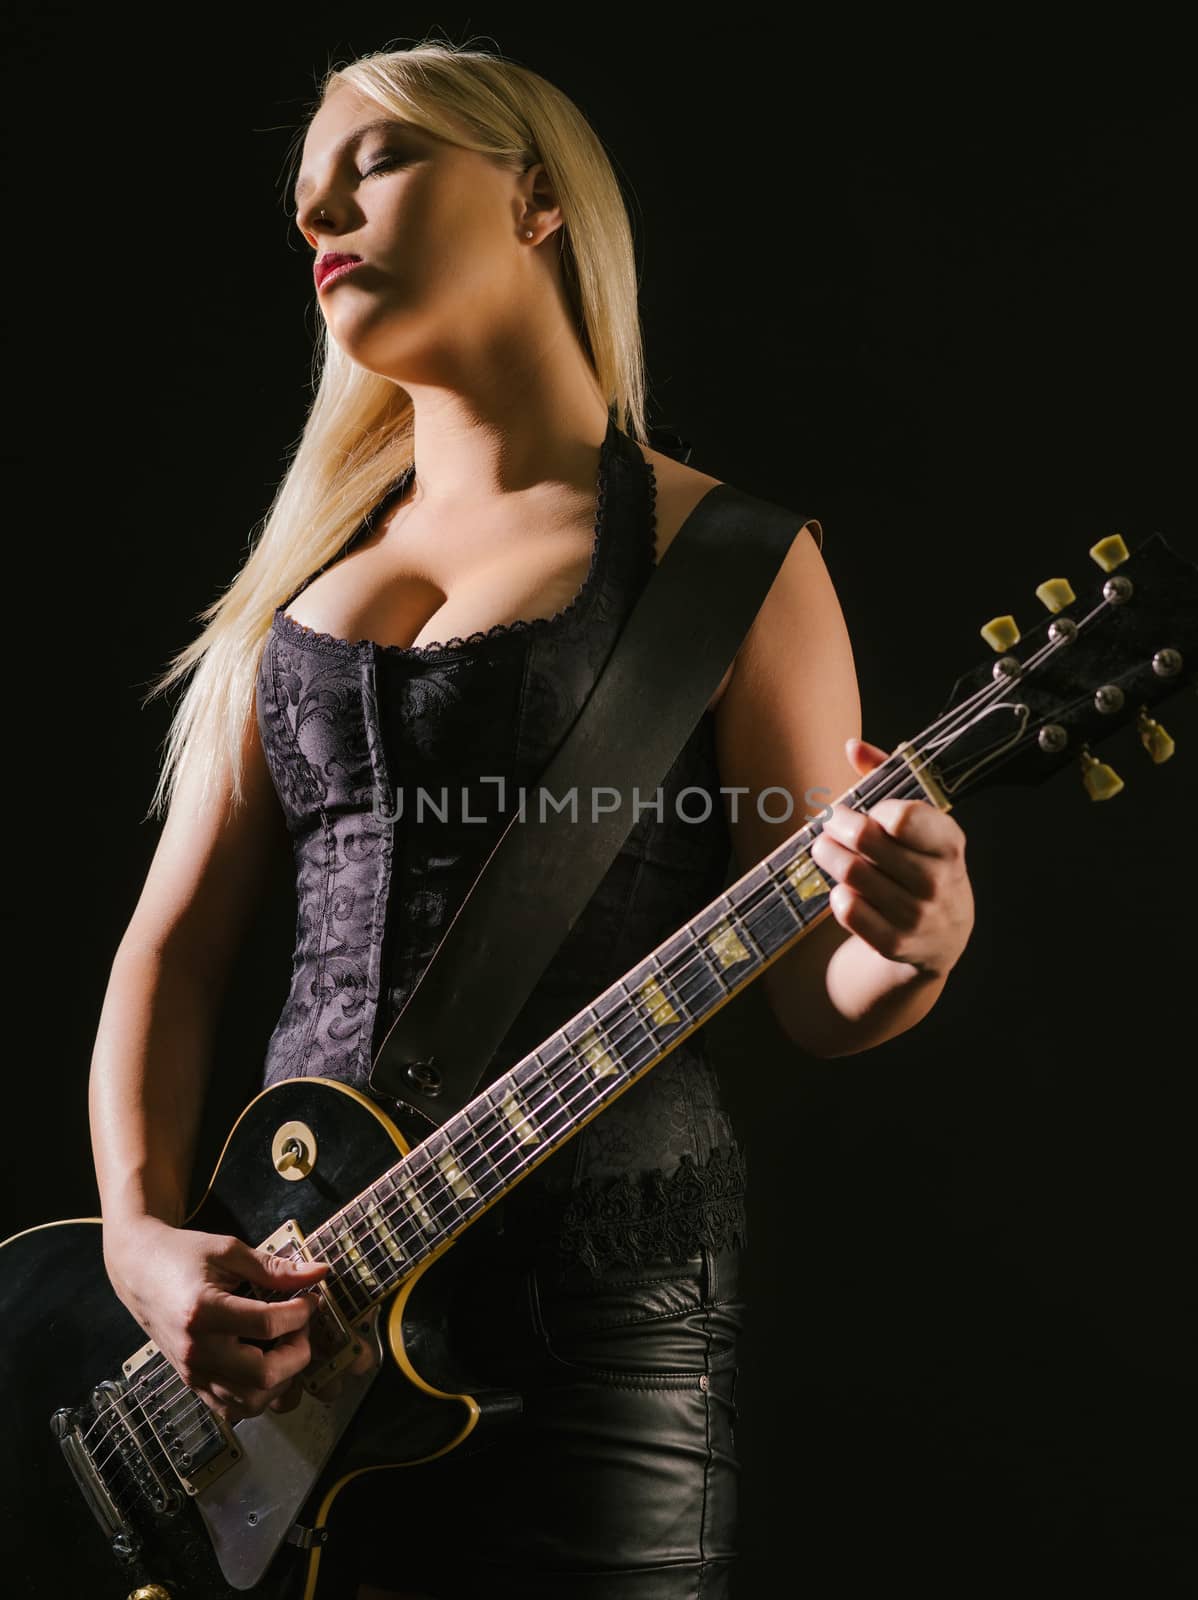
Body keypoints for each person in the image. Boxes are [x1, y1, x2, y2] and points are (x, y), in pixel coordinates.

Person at [87, 39, 976, 1600]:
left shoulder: (732, 560)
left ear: (538, 197)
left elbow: (812, 989)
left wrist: (910, 946)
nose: (321, 213)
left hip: (600, 1326)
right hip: (290, 1350)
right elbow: (168, 950)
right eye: (307, 196)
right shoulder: (289, 598)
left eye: (375, 162)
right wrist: (140, 1246)